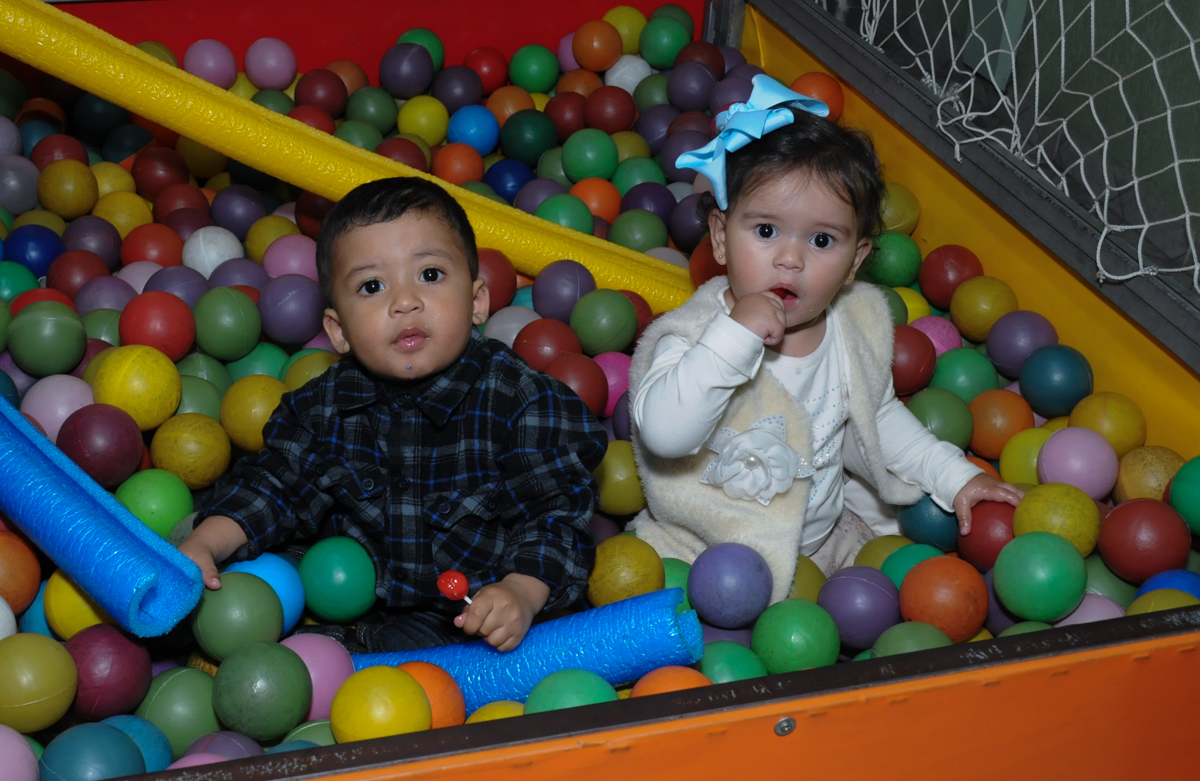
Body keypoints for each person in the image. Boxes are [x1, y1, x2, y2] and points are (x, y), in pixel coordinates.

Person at [628, 76, 1022, 603]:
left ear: (855, 261)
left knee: (890, 592)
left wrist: (955, 476)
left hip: (821, 545)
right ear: (720, 237)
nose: (790, 259)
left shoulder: (851, 327)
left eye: (821, 240)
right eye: (765, 231)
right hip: (702, 551)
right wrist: (734, 336)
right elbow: (665, 435)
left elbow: (877, 421)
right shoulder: (695, 335)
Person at [179, 177, 607, 652]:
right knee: (243, 591)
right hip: (342, 593)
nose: (404, 302)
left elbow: (554, 513)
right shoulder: (323, 407)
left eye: (430, 275)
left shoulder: (522, 401)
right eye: (372, 286)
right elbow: (274, 485)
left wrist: (521, 592)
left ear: (477, 301)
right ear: (338, 331)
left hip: (466, 617)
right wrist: (205, 543)